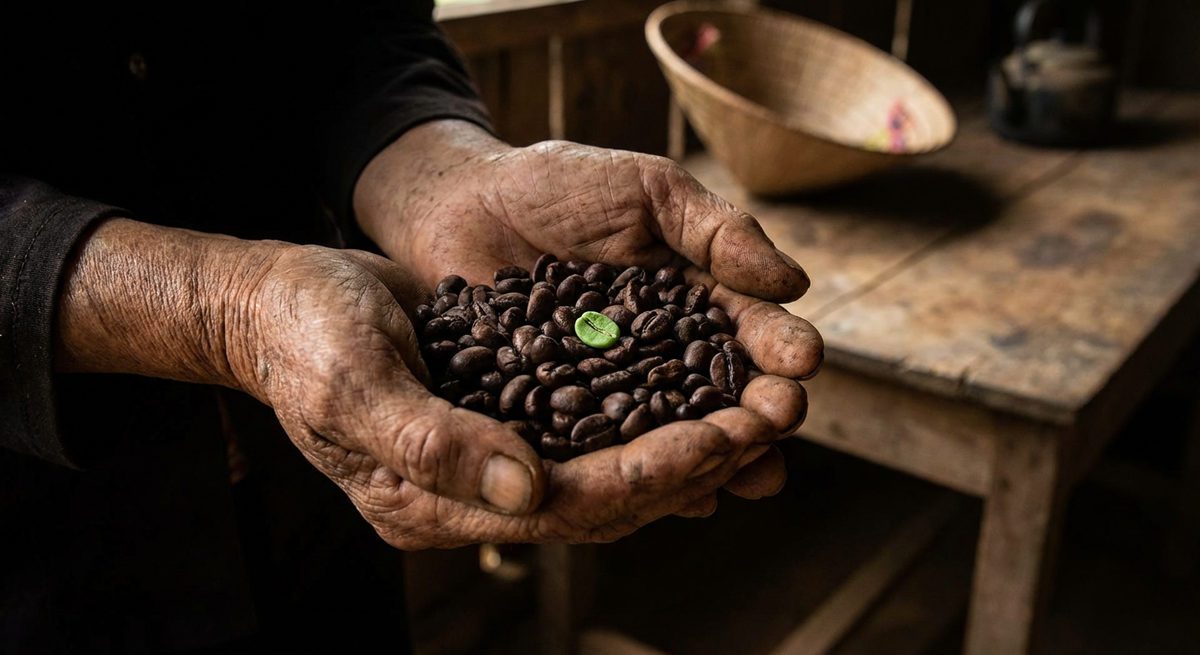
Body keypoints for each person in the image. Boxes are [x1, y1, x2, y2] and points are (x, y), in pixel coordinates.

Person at [0, 1, 823, 651]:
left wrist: (446, 180)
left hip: (331, 462)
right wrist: (228, 312)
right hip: (56, 552)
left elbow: (365, 35)